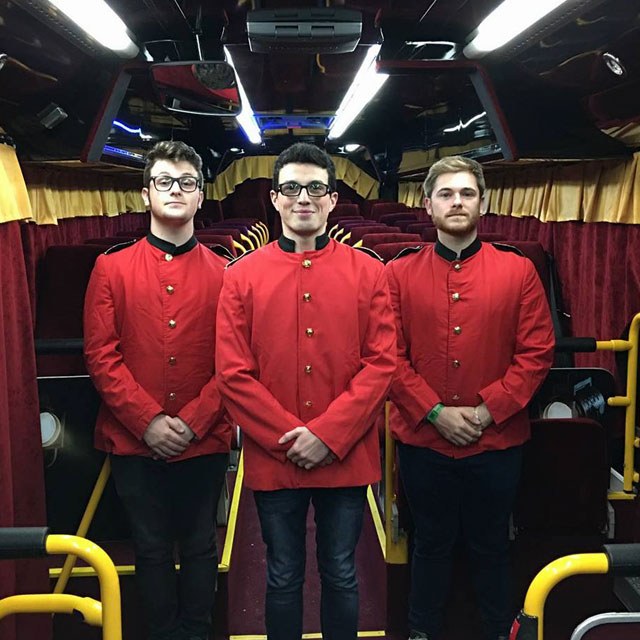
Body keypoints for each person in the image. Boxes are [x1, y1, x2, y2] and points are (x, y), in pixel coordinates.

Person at [216, 142, 397, 640]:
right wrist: (290, 437)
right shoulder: (240, 277)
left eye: (316, 188)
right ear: (274, 199)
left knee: (341, 572)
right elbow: (233, 373)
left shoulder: (371, 273)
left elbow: (381, 365)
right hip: (275, 456)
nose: (304, 198)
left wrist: (328, 435)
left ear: (333, 200)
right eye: (291, 188)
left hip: (347, 453)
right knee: (282, 575)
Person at [385, 156, 554, 640]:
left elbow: (536, 353)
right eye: (446, 194)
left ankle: (500, 631)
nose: (456, 202)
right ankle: (422, 632)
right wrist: (435, 412)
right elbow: (388, 357)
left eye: (466, 193)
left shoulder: (518, 271)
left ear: (484, 202)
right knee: (429, 543)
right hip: (423, 440)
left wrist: (485, 410)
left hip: (497, 440)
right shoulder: (398, 274)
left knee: (492, 545)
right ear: (428, 204)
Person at [84, 140, 231, 640]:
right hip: (132, 439)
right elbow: (101, 357)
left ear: (200, 197)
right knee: (148, 548)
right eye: (165, 181)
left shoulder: (225, 274)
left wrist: (191, 423)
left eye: (187, 182)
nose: (176, 190)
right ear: (146, 193)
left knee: (198, 546)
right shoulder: (111, 268)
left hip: (204, 439)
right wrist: (148, 422)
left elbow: (233, 364)